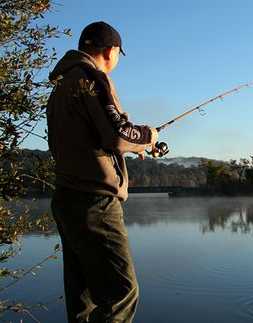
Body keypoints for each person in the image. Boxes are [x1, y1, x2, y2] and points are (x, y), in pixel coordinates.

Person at [47, 21, 158, 323]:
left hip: (66, 198)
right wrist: (148, 136)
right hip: (94, 202)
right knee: (123, 292)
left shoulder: (61, 86)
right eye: (119, 54)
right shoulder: (92, 78)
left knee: (83, 297)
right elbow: (118, 134)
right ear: (110, 51)